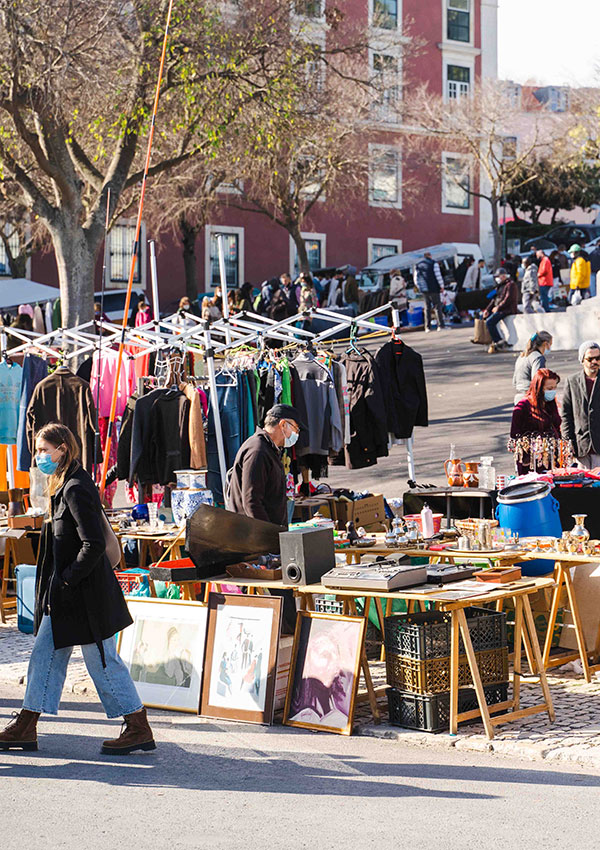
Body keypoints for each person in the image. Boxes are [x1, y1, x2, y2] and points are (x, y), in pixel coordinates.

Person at [0, 423, 155, 755]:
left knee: (102, 661)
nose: (40, 456)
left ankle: (138, 725)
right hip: (68, 596)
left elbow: (93, 543)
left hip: (84, 596)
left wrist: (68, 578)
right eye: (38, 450)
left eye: (44, 450)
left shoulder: (74, 488)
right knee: (45, 656)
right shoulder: (66, 483)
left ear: (63, 450)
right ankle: (27, 724)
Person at [228, 403, 307, 526]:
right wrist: (267, 535)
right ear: (283, 425)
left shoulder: (269, 449)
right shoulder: (258, 450)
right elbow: (251, 501)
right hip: (255, 537)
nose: (296, 433)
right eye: (296, 428)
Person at [510, 368, 561, 475]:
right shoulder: (523, 406)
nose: (552, 391)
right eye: (549, 388)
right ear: (539, 388)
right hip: (530, 462)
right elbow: (514, 435)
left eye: (555, 388)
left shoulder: (550, 404)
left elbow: (557, 425)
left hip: (551, 458)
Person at [561, 341, 600, 468]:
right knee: (584, 486)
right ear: (582, 360)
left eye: (598, 358)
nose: (595, 362)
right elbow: (566, 414)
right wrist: (568, 442)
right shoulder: (572, 381)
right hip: (581, 445)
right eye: (590, 359)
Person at [483, 268, 518, 352]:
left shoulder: (510, 285)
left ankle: (498, 341)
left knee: (490, 322)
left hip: (507, 309)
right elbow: (494, 300)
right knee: (485, 319)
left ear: (503, 276)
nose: (497, 278)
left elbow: (508, 299)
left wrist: (498, 307)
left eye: (498, 276)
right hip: (500, 309)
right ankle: (493, 341)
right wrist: (487, 310)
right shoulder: (499, 286)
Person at [513, 331, 553, 404]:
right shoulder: (538, 357)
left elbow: (514, 381)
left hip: (518, 397)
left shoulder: (522, 356)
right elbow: (537, 381)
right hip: (530, 398)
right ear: (545, 344)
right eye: (550, 344)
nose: (550, 347)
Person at [414, 251, 445, 332]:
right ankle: (440, 325)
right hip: (434, 287)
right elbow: (438, 276)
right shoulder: (434, 263)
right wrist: (442, 286)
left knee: (427, 308)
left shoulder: (418, 265)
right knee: (437, 306)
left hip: (424, 289)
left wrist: (419, 287)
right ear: (430, 256)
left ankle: (427, 327)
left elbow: (416, 279)